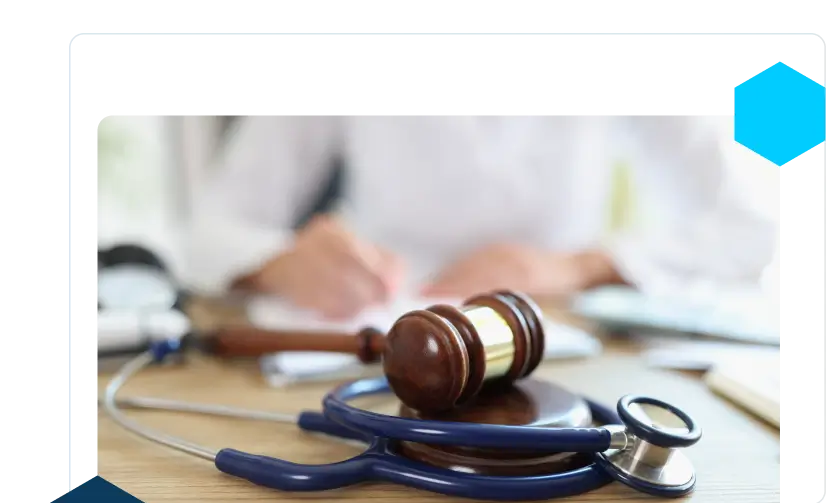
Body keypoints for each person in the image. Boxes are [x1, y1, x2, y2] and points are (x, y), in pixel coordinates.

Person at [184, 112, 779, 320]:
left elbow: (751, 228)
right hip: (373, 333)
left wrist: (581, 266)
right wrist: (275, 264)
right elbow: (207, 232)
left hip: (569, 344)